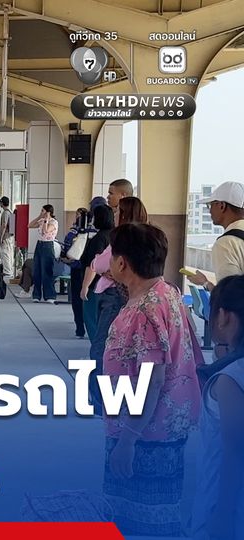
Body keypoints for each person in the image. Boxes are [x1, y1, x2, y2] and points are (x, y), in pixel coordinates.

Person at [102, 223, 201, 537]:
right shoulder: (167, 292)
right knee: (159, 517)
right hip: (165, 426)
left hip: (144, 433)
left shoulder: (144, 312)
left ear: (122, 263)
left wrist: (127, 440)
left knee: (136, 523)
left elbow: (151, 380)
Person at [191, 275, 244, 540]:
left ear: (223, 316)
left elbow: (233, 452)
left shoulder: (230, 379)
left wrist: (222, 513)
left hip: (226, 506)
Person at [83, 197, 149, 368]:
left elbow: (98, 263)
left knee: (101, 346)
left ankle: (100, 384)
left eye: (118, 210)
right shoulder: (149, 237)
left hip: (114, 294)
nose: (115, 213)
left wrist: (107, 268)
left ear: (125, 214)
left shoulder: (122, 238)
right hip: (135, 295)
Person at [79, 204, 115, 414]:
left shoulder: (99, 239)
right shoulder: (117, 237)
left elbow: (91, 265)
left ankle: (98, 400)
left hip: (98, 291)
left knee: (97, 338)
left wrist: (85, 287)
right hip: (113, 293)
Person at [189, 181, 244, 290]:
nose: (209, 210)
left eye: (210, 205)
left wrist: (206, 283)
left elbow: (228, 295)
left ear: (222, 206)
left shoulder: (226, 243)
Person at [63, 207, 91, 338]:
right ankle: (87, 327)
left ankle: (80, 328)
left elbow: (67, 243)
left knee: (77, 299)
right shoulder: (96, 232)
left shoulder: (75, 231)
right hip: (91, 270)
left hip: (77, 268)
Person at [28, 204, 60, 303]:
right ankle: (36, 295)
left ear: (48, 212)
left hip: (48, 245)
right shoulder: (41, 220)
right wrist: (40, 217)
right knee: (37, 270)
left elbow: (46, 231)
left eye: (43, 211)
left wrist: (46, 220)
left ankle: (50, 295)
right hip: (40, 244)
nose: (41, 212)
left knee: (47, 270)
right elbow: (30, 225)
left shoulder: (54, 222)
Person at [0, 197, 15, 278]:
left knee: (5, 253)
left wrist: (0, 238)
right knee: (9, 253)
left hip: (6, 236)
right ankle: (10, 270)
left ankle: (7, 271)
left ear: (2, 203)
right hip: (10, 236)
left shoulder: (5, 213)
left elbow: (4, 225)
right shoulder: (10, 211)